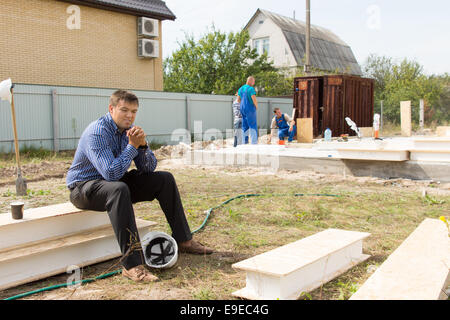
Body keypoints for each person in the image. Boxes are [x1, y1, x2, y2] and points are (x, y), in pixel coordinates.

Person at [66, 90, 213, 283]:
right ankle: (131, 265)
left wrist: (142, 146)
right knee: (119, 189)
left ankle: (183, 239)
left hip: (111, 183)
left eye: (134, 111)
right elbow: (110, 173)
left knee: (164, 179)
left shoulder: (131, 131)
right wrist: (132, 147)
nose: (130, 115)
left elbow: (149, 168)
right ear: (111, 109)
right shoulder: (97, 132)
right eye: (124, 110)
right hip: (83, 188)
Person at [237, 76, 258, 145]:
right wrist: (256, 106)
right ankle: (254, 143)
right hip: (250, 108)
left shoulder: (240, 89)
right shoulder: (251, 89)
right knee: (252, 125)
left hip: (242, 108)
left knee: (245, 125)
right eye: (253, 82)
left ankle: (244, 142)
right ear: (251, 81)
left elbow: (238, 100)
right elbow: (253, 98)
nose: (254, 83)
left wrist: (243, 104)